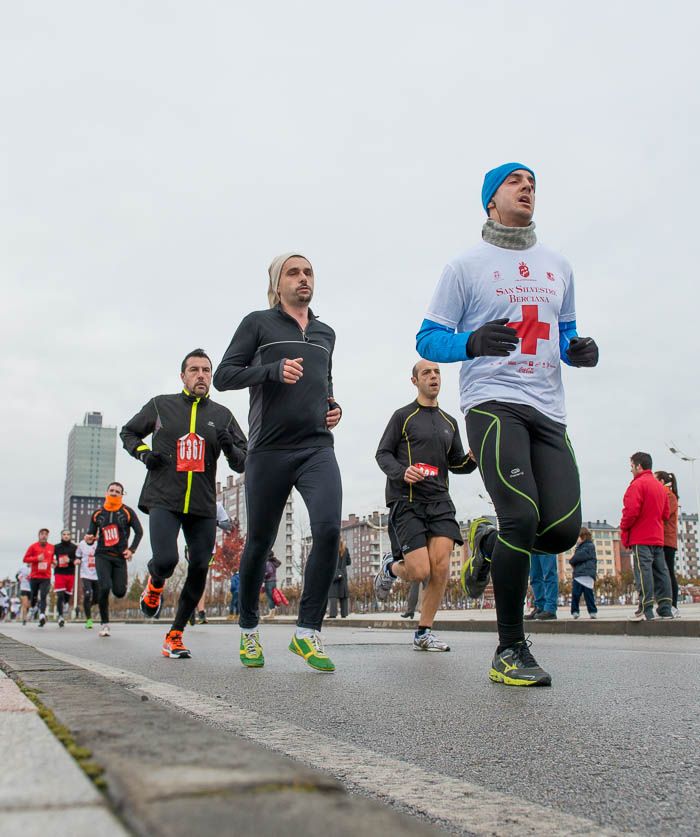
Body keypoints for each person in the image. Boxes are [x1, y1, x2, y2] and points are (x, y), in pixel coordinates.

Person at [416, 163, 598, 685]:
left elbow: (565, 336)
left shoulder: (558, 265)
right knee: (522, 514)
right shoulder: (465, 266)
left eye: (533, 182)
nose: (527, 188)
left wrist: (579, 351)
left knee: (561, 529)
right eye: (515, 181)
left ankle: (492, 546)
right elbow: (428, 338)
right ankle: (510, 649)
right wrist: (469, 343)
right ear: (490, 200)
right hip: (493, 403)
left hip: (548, 408)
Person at [214, 253, 342, 672]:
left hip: (317, 447)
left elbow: (325, 382)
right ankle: (249, 630)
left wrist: (332, 406)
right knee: (259, 544)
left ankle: (307, 633)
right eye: (294, 272)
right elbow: (225, 375)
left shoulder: (326, 332)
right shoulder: (258, 323)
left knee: (327, 532)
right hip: (268, 450)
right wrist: (270, 371)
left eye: (308, 272)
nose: (303, 278)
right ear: (277, 283)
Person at [121, 349, 246, 658]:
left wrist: (230, 450)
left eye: (206, 370)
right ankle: (155, 584)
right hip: (164, 497)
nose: (201, 375)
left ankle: (175, 634)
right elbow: (129, 432)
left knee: (200, 566)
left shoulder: (223, 415)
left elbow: (243, 462)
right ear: (183, 376)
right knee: (165, 560)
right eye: (194, 370)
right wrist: (142, 453)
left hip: (202, 505)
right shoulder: (161, 406)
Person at [375, 359, 477, 651]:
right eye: (426, 373)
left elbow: (455, 462)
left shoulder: (449, 422)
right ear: (415, 381)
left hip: (440, 501)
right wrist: (401, 472)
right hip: (407, 501)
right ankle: (391, 568)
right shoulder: (402, 417)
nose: (433, 377)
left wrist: (472, 459)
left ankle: (424, 632)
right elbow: (382, 454)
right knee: (419, 572)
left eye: (437, 373)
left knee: (441, 566)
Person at [621, 452, 673, 621]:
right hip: (657, 537)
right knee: (661, 571)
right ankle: (665, 608)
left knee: (643, 572)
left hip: (641, 537)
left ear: (639, 466)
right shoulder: (660, 487)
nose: (631, 470)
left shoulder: (637, 485)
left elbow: (631, 512)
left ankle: (646, 608)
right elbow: (666, 514)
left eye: (631, 466)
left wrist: (624, 527)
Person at [87, 482, 143, 637]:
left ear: (121, 494)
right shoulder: (98, 513)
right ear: (106, 492)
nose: (114, 493)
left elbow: (139, 532)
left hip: (119, 558)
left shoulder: (127, 512)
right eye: (111, 490)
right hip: (102, 555)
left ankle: (114, 587)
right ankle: (104, 624)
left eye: (117, 491)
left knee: (119, 592)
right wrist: (89, 539)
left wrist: (131, 550)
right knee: (104, 587)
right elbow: (90, 535)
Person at [189, 502, 233, 626]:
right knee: (193, 579)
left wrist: (216, 522)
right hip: (192, 546)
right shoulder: (193, 501)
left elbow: (228, 525)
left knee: (201, 578)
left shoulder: (216, 505)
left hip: (209, 548)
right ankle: (189, 609)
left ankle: (201, 612)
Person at [655, 470, 680, 617]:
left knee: (668, 573)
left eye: (655, 479)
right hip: (661, 539)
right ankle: (665, 604)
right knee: (662, 573)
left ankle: (673, 605)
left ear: (662, 482)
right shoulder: (664, 495)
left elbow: (662, 515)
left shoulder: (669, 496)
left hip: (667, 541)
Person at [23, 528, 55, 627]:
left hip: (46, 576)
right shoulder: (33, 547)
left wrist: (54, 562)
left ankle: (42, 615)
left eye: (46, 534)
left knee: (44, 596)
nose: (44, 536)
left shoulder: (51, 547)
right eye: (42, 534)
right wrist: (36, 558)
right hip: (35, 576)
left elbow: (53, 558)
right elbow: (25, 559)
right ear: (39, 535)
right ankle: (32, 607)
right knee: (34, 596)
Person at [569, 528, 598, 619]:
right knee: (577, 594)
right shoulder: (582, 546)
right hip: (580, 575)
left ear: (583, 537)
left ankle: (591, 611)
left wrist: (572, 561)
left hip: (584, 574)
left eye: (578, 537)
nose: (577, 539)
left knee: (586, 594)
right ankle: (576, 611)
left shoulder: (588, 546)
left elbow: (579, 557)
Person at [53, 529, 78, 628]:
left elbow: (77, 559)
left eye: (68, 534)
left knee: (67, 595)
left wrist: (70, 560)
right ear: (61, 536)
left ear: (70, 536)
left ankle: (66, 604)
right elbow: (51, 557)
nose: (66, 536)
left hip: (70, 573)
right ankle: (60, 616)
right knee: (60, 595)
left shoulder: (74, 547)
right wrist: (53, 562)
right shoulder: (56, 547)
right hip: (59, 573)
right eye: (64, 534)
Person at [524, 553, 559, 620]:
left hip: (546, 543)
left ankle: (550, 609)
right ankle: (540, 607)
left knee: (549, 574)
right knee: (534, 577)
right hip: (533, 546)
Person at [76, 532, 99, 629]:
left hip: (97, 575)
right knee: (88, 594)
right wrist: (77, 560)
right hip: (85, 575)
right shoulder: (81, 545)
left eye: (91, 535)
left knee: (97, 598)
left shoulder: (98, 543)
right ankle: (89, 620)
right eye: (87, 535)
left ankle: (88, 606)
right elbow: (77, 555)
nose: (89, 537)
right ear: (84, 537)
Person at [328, 540, 351, 619]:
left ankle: (333, 614)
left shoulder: (331, 549)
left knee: (333, 595)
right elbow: (349, 562)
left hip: (334, 573)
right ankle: (344, 614)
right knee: (343, 595)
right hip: (343, 574)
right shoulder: (346, 550)